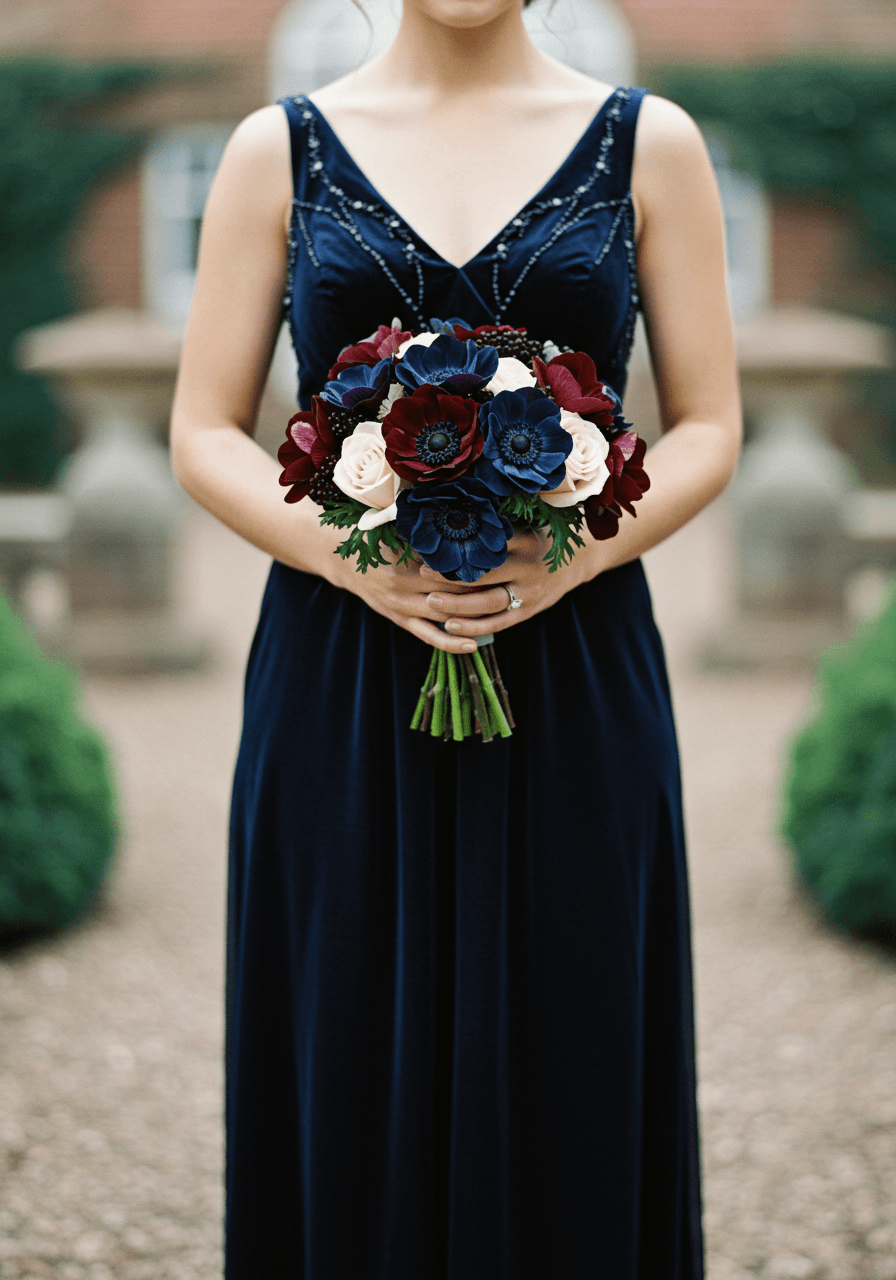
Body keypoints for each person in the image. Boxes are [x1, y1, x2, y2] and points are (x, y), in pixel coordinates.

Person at [170, 0, 741, 1272]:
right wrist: (359, 564)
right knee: (347, 1021)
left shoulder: (650, 144)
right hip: (341, 663)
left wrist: (574, 552)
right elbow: (203, 427)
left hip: (574, 656)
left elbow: (707, 422)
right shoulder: (281, 148)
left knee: (576, 1019)